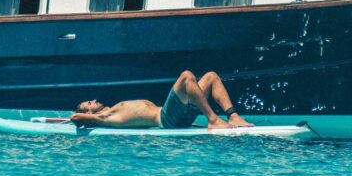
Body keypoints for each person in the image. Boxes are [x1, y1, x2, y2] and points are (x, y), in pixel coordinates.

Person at [70, 70, 253, 130]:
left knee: (211, 76)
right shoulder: (106, 117)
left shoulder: (111, 111)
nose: (93, 100)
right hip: (167, 119)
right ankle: (213, 120)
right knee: (186, 76)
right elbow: (75, 118)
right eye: (89, 103)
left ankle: (233, 116)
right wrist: (81, 115)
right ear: (88, 112)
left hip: (177, 114)